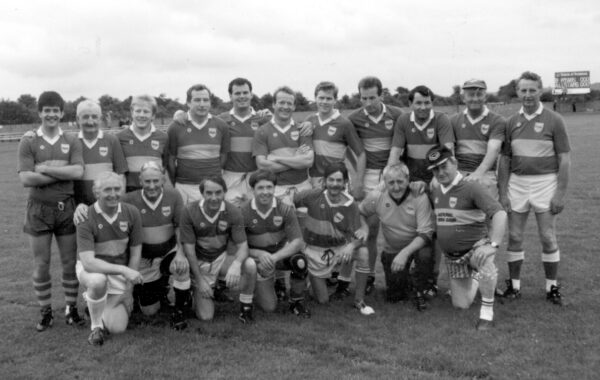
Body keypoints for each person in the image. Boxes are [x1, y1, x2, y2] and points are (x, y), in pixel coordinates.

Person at [498, 71, 571, 305]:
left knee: (547, 237)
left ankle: (552, 287)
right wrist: (502, 193)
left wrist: (560, 193)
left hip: (545, 183)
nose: (528, 95)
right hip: (517, 184)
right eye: (523, 90)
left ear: (540, 91)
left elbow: (565, 159)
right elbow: (505, 161)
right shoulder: (511, 122)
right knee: (515, 236)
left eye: (532, 90)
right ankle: (514, 287)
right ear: (517, 92)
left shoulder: (554, 120)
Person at [17, 91, 85, 331]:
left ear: (62, 113)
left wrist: (44, 169)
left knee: (69, 263)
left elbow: (77, 173)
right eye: (47, 110)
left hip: (66, 208)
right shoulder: (29, 140)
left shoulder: (71, 140)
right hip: (38, 210)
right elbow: (26, 178)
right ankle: (45, 311)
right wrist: (60, 172)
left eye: (55, 110)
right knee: (41, 264)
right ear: (40, 113)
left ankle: (71, 309)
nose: (51, 114)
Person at [426, 145, 507, 330]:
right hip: (454, 257)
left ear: (454, 162)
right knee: (460, 305)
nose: (440, 172)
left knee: (484, 260)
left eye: (444, 166)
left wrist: (492, 245)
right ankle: (477, 277)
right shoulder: (437, 190)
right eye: (435, 169)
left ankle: (487, 313)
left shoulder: (471, 187)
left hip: (476, 247)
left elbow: (500, 214)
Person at [388, 85, 455, 296]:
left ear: (432, 103)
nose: (423, 107)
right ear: (410, 104)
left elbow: (447, 153)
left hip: (435, 181)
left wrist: (432, 182)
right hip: (410, 183)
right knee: (411, 226)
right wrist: (389, 178)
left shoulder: (441, 120)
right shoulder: (403, 121)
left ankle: (431, 279)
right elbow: (396, 152)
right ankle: (413, 273)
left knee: (435, 232)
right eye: (419, 103)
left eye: (427, 103)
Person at [293, 162, 374, 315]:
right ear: (324, 181)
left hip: (338, 250)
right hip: (314, 251)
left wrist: (351, 246)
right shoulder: (312, 195)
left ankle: (359, 301)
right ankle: (313, 279)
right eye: (331, 180)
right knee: (322, 301)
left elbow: (359, 236)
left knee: (363, 253)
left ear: (345, 183)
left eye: (339, 181)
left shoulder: (351, 205)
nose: (335, 184)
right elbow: (289, 204)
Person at [347, 76, 403, 294]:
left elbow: (400, 146)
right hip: (369, 176)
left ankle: (401, 277)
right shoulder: (354, 118)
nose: (368, 102)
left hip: (393, 174)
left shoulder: (397, 115)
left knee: (398, 230)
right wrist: (357, 180)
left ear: (381, 95)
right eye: (363, 98)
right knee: (369, 231)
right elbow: (351, 150)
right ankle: (368, 275)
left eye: (372, 97)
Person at [121, 161, 191, 329]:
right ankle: (155, 288)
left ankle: (179, 311)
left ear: (162, 179)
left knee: (182, 267)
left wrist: (181, 253)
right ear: (140, 181)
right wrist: (82, 207)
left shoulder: (173, 195)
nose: (152, 186)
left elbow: (180, 227)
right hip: (144, 259)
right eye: (147, 181)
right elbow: (104, 205)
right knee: (150, 311)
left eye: (155, 181)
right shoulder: (128, 199)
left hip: (168, 251)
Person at [76, 172, 143, 345]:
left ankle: (94, 302)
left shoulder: (131, 212)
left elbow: (135, 253)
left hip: (119, 276)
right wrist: (123, 270)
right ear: (96, 192)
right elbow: (89, 263)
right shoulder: (85, 216)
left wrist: (129, 291)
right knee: (98, 281)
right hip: (92, 271)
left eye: (117, 189)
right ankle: (96, 326)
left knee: (118, 328)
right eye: (107, 189)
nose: (113, 194)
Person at [179, 176, 257, 323]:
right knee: (206, 317)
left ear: (225, 192)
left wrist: (236, 264)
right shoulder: (189, 211)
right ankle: (195, 290)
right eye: (209, 193)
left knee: (250, 265)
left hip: (220, 259)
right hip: (199, 263)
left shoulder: (233, 211)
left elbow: (243, 247)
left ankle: (246, 308)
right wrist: (200, 281)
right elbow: (188, 250)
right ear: (202, 193)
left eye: (218, 192)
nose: (214, 197)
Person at [359, 163, 434, 310]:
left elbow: (425, 234)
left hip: (417, 247)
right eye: (391, 182)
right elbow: (361, 211)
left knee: (425, 255)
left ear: (407, 180)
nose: (396, 187)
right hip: (393, 249)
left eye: (400, 181)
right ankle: (408, 281)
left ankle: (420, 288)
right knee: (395, 297)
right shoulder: (376, 196)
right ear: (384, 182)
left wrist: (405, 254)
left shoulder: (419, 196)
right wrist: (364, 227)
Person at [242, 169, 310, 317]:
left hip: (275, 257)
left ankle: (296, 302)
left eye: (269, 187)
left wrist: (274, 258)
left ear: (274, 188)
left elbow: (298, 242)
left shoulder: (284, 209)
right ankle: (254, 286)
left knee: (300, 261)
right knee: (269, 307)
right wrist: (259, 254)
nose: (265, 192)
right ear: (252, 189)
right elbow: (236, 246)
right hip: (256, 260)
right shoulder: (243, 211)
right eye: (260, 188)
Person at [167, 84, 230, 204]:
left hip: (213, 188)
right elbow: (171, 159)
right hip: (185, 187)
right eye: (197, 100)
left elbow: (223, 157)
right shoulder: (175, 127)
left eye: (205, 100)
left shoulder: (221, 126)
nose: (202, 104)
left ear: (210, 102)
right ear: (188, 103)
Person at [253, 86, 313, 205]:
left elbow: (308, 161)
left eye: (289, 103)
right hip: (276, 190)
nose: (285, 107)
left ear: (294, 106)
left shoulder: (302, 129)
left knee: (305, 223)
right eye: (281, 102)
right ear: (274, 104)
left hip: (303, 187)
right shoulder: (262, 131)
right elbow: (262, 165)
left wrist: (277, 158)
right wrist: (296, 159)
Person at [303, 81, 365, 193]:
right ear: (315, 98)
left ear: (335, 100)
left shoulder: (344, 124)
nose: (324, 102)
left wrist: (359, 181)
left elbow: (360, 154)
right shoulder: (309, 120)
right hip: (313, 180)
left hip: (336, 181)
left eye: (328, 98)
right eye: (321, 98)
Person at [218, 78, 272, 206]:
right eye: (237, 93)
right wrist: (181, 113)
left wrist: (273, 118)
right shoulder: (221, 119)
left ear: (251, 94)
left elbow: (283, 128)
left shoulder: (263, 118)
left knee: (255, 217)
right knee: (232, 217)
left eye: (245, 92)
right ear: (230, 96)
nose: (242, 96)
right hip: (230, 178)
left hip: (256, 176)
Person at [450, 79, 506, 199]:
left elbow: (494, 150)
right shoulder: (453, 120)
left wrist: (478, 174)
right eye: (470, 95)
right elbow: (449, 151)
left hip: (485, 174)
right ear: (463, 97)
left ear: (485, 96)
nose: (475, 98)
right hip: (459, 173)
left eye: (479, 94)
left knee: (489, 213)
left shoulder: (497, 120)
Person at [73, 99, 128, 206]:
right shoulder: (72, 142)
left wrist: (118, 202)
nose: (90, 121)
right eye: (85, 117)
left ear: (100, 119)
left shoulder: (112, 140)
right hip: (80, 207)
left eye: (94, 117)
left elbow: (121, 174)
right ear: (77, 119)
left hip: (108, 205)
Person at [116, 95, 169, 192]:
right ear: (132, 113)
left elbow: (165, 167)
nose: (141, 115)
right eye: (138, 111)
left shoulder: (163, 138)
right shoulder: (119, 138)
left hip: (154, 190)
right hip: (129, 192)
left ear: (153, 115)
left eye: (146, 111)